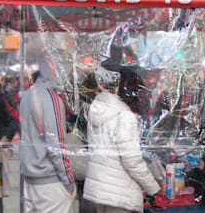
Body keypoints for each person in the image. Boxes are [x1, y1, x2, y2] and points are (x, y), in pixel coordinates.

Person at [82, 68, 161, 213]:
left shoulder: (97, 109)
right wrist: (152, 187)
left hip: (99, 190)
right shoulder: (124, 115)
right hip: (119, 193)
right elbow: (131, 160)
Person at [20, 64, 76, 213]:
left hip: (30, 178)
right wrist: (69, 181)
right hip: (50, 183)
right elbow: (55, 145)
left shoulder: (28, 95)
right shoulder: (51, 98)